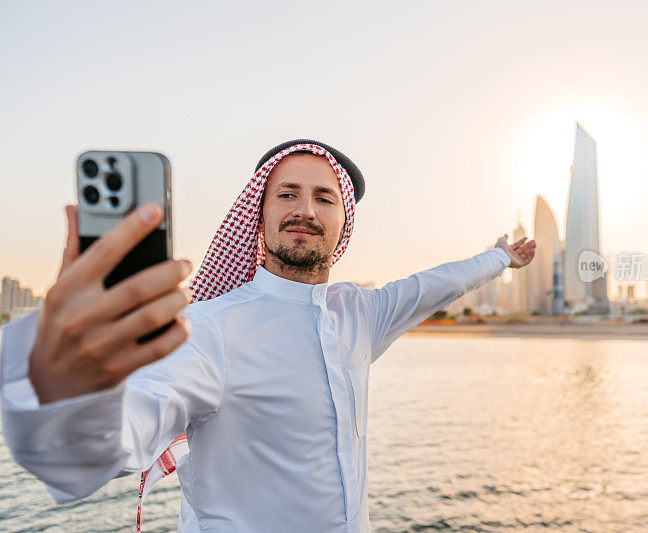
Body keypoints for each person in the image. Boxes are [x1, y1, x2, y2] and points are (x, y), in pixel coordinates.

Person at [0, 139, 537, 532]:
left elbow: (435, 285)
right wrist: (62, 379)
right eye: (288, 194)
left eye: (324, 198)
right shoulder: (210, 330)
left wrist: (500, 259)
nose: (305, 210)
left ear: (342, 223)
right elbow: (103, 451)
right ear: (259, 215)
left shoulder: (359, 312)